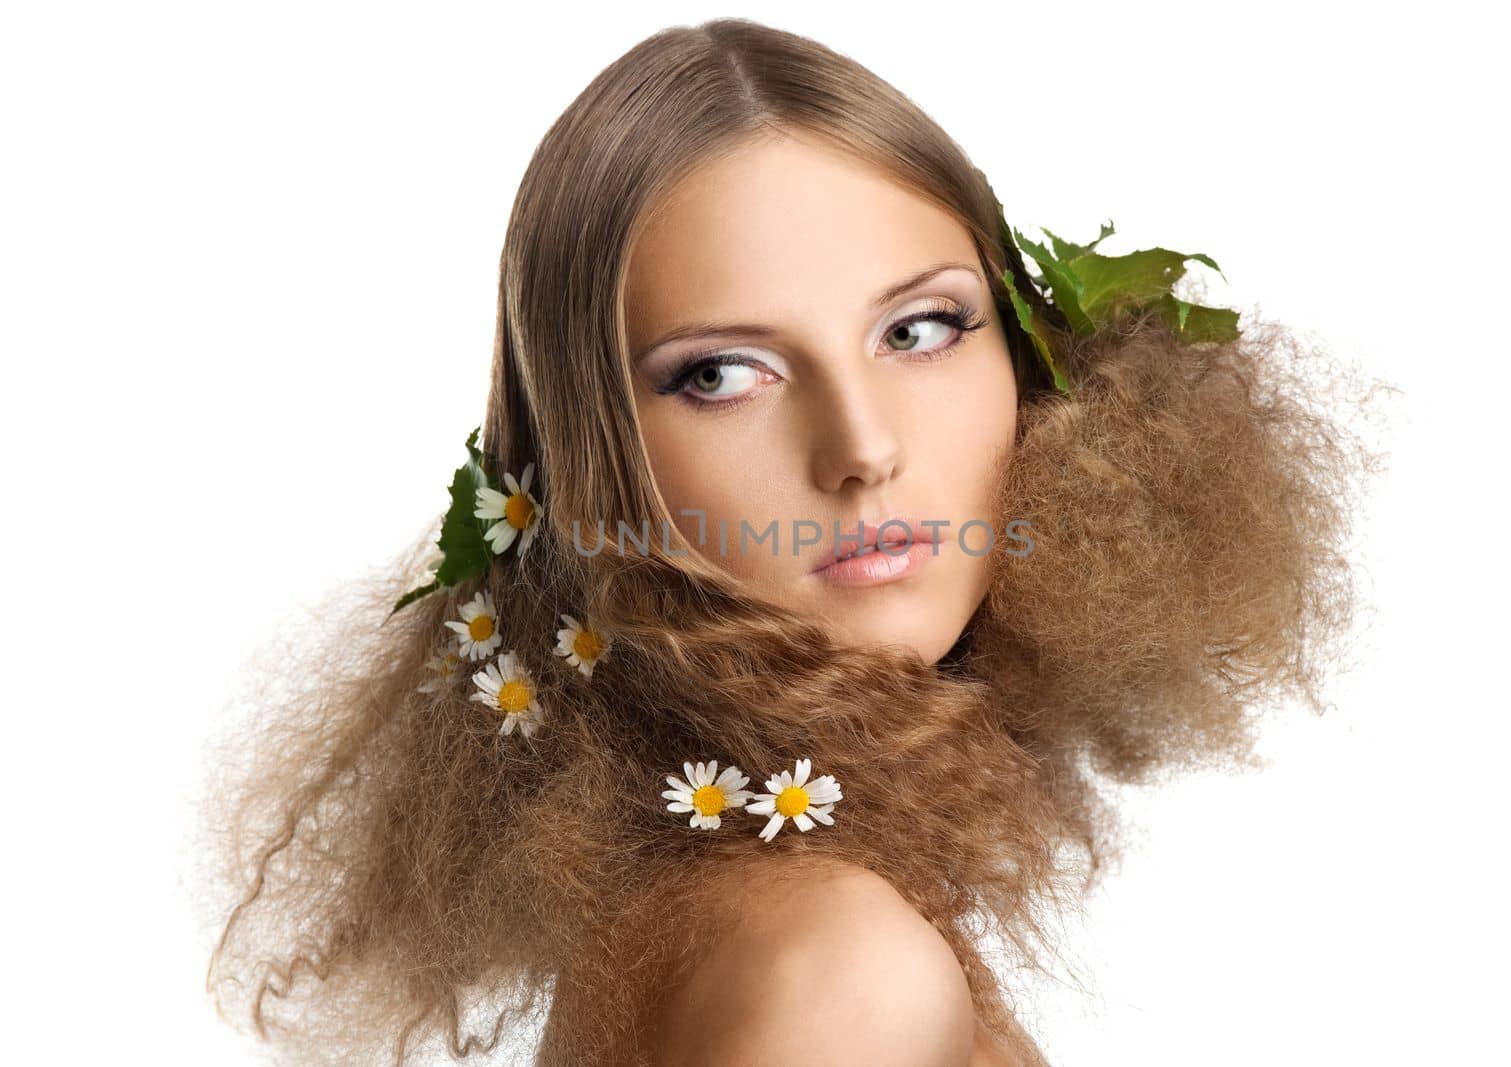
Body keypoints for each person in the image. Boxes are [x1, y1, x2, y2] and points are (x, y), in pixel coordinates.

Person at [197, 17, 1378, 1066]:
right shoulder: (834, 967)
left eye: (918, 328)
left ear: (1028, 360)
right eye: (721, 373)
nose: (862, 446)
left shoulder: (746, 905)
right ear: (589, 461)